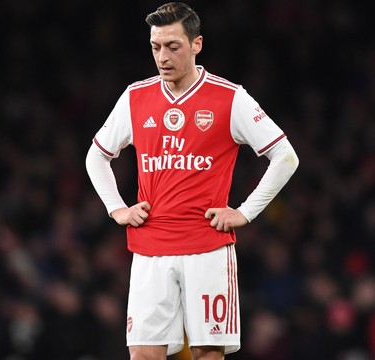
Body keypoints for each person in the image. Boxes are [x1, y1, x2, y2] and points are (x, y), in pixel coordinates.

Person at [85, 2, 299, 359]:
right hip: (150, 247)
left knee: (206, 355)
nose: (163, 57)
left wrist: (245, 213)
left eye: (173, 46)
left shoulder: (230, 97)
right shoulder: (136, 97)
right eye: (156, 47)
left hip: (208, 248)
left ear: (196, 44)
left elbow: (285, 156)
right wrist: (116, 208)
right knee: (142, 354)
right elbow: (96, 156)